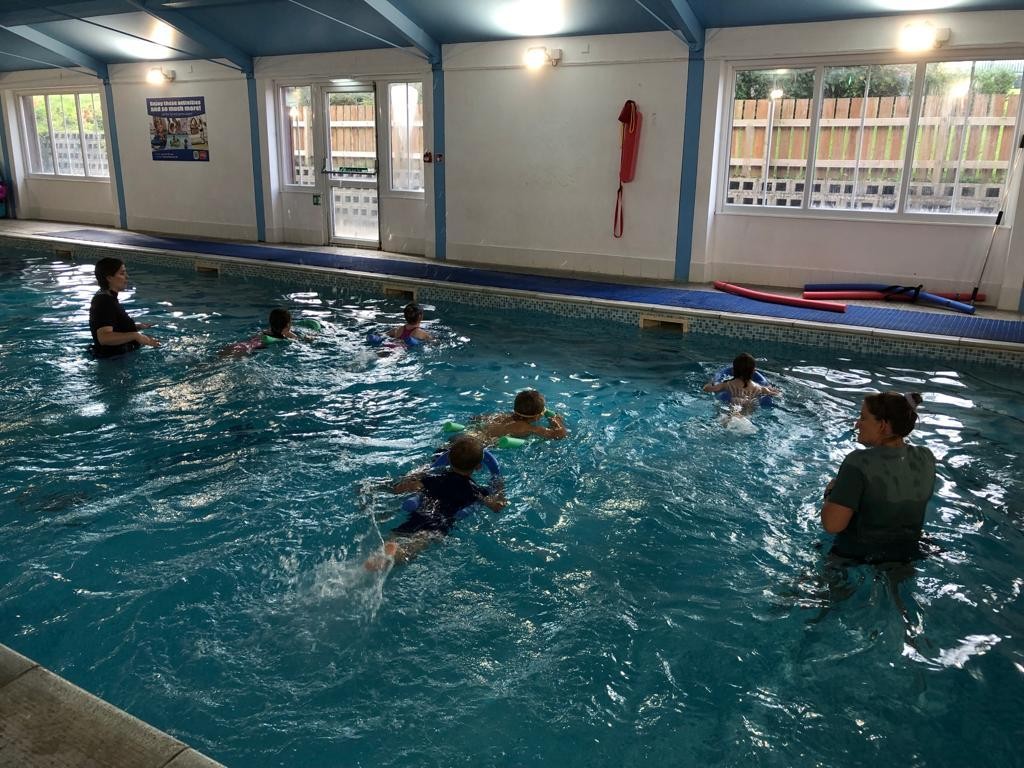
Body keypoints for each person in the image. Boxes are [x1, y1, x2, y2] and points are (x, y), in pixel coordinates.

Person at [820, 392, 936, 563]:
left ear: (883, 425)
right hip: (910, 551)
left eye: (863, 418)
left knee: (801, 589)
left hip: (856, 554)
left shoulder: (858, 462)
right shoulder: (926, 456)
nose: (857, 424)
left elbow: (832, 525)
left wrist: (830, 494)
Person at [365, 435, 506, 570]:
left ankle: (385, 551)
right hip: (439, 522)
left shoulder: (433, 478)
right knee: (414, 547)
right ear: (479, 467)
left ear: (448, 459)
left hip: (421, 512)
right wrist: (499, 486)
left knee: (402, 532)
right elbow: (496, 506)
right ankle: (393, 556)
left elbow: (409, 484)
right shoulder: (476, 491)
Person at [89, 258, 159, 358]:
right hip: (114, 362)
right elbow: (104, 338)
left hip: (118, 358)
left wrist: (137, 326)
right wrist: (136, 335)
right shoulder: (104, 301)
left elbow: (110, 324)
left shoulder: (107, 297)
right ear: (109, 278)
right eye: (122, 273)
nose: (127, 276)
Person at [472, 389, 567, 443]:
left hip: (472, 434)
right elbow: (560, 435)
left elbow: (476, 418)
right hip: (480, 444)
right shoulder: (529, 428)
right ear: (538, 416)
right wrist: (557, 421)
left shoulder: (501, 416)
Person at [702, 352, 780, 412]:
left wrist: (711, 381)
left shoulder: (727, 384)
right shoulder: (760, 388)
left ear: (733, 370)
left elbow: (706, 389)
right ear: (753, 371)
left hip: (732, 407)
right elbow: (777, 394)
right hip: (749, 412)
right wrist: (771, 389)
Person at [220, 307, 302, 356]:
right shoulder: (286, 339)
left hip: (239, 345)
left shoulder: (264, 332)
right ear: (288, 325)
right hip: (248, 350)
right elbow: (298, 340)